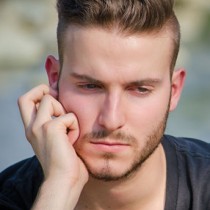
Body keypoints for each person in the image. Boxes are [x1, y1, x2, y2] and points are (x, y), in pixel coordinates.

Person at [0, 0, 210, 209]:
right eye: (90, 86)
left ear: (174, 91)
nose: (111, 120)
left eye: (140, 89)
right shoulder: (10, 195)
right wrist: (60, 186)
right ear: (54, 78)